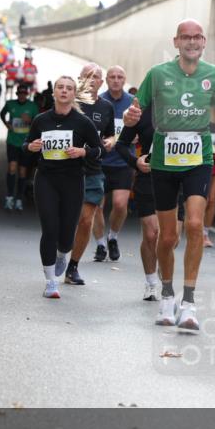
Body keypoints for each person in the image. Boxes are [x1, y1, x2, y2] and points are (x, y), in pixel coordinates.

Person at [123, 19, 215, 331]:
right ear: (176, 42)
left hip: (198, 156)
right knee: (168, 236)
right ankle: (167, 295)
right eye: (185, 37)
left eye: (197, 37)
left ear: (203, 42)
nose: (191, 42)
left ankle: (188, 302)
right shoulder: (157, 73)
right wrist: (129, 115)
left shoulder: (212, 74)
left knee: (195, 224)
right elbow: (135, 108)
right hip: (164, 160)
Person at [25, 76, 103, 298]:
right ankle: (51, 282)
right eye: (60, 87)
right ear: (54, 93)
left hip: (72, 180)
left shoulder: (83, 122)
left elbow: (100, 151)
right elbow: (26, 145)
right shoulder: (41, 120)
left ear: (73, 94)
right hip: (46, 179)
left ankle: (62, 255)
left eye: (69, 88)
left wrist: (83, 152)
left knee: (67, 231)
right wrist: (31, 146)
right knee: (50, 228)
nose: (64, 91)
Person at [64, 64, 115, 285]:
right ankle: (59, 253)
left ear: (101, 83)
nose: (92, 80)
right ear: (80, 79)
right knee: (65, 219)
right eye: (87, 76)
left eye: (96, 77)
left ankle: (72, 267)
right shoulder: (69, 103)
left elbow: (112, 134)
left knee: (85, 221)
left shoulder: (106, 107)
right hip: (66, 168)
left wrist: (111, 141)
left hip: (93, 169)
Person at [116, 101, 161, 300]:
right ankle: (151, 282)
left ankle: (164, 264)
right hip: (148, 178)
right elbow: (121, 144)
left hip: (179, 179)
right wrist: (136, 162)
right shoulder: (141, 113)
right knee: (152, 234)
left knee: (170, 239)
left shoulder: (189, 110)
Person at [93, 65, 136, 262]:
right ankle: (101, 244)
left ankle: (113, 237)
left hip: (123, 162)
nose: (116, 80)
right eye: (112, 77)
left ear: (124, 80)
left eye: (120, 77)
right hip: (100, 161)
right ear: (106, 80)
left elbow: (143, 128)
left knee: (120, 205)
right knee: (96, 206)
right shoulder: (98, 102)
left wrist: (137, 138)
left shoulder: (133, 103)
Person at [0, 84, 41, 210]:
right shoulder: (10, 104)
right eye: (20, 94)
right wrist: (7, 124)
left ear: (27, 95)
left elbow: (39, 122)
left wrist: (30, 120)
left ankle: (18, 198)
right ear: (17, 94)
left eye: (24, 94)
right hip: (12, 141)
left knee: (22, 171)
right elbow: (2, 114)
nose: (22, 96)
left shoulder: (33, 106)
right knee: (12, 167)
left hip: (26, 143)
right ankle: (9, 197)